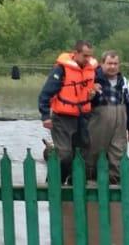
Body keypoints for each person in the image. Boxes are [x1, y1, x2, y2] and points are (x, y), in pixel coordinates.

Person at [38, 40, 99, 183]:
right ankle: (54, 182)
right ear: (76, 53)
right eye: (85, 55)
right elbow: (45, 93)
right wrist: (45, 116)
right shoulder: (61, 70)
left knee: (81, 153)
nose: (88, 59)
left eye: (90, 56)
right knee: (65, 154)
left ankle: (74, 183)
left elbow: (99, 87)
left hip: (83, 117)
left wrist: (95, 93)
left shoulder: (92, 69)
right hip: (62, 118)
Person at [88, 50, 129, 184]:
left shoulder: (124, 82)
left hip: (120, 122)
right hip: (97, 122)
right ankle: (91, 181)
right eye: (109, 63)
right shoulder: (93, 80)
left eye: (115, 64)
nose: (113, 67)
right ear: (102, 64)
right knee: (94, 152)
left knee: (118, 151)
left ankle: (116, 183)